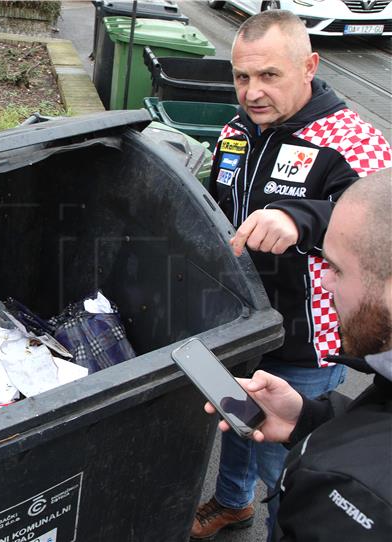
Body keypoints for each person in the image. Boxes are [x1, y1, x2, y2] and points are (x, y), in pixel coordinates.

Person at [195, 9, 392, 540]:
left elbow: (383, 225)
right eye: (242, 77)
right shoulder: (236, 131)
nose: (252, 92)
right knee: (240, 425)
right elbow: (217, 208)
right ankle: (232, 503)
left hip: (307, 342)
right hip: (240, 323)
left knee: (288, 466)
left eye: (269, 76)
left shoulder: (352, 140)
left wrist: (299, 217)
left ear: (309, 66)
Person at [203, 169, 392, 541]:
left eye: (336, 268)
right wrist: (310, 419)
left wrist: (300, 218)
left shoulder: (351, 495)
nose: (325, 280)